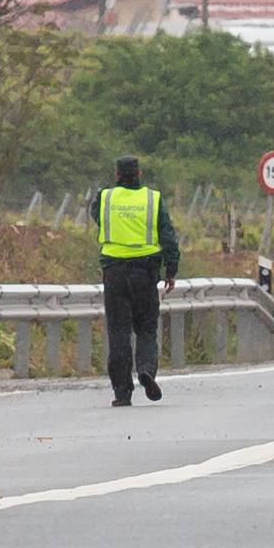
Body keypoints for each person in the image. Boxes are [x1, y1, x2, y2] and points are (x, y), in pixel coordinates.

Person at [96, 156, 182, 406]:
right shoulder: (152, 199)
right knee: (146, 328)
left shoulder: (105, 198)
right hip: (145, 272)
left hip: (113, 272)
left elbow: (97, 218)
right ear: (140, 174)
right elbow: (167, 235)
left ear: (116, 175)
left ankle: (122, 392)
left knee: (119, 332)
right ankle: (145, 369)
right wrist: (171, 269)